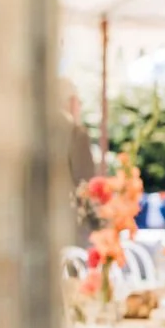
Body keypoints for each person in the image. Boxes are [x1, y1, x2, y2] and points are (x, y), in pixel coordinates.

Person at [61, 78, 97, 243]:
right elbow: (85, 184)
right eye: (79, 102)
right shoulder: (76, 133)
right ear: (72, 102)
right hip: (70, 224)